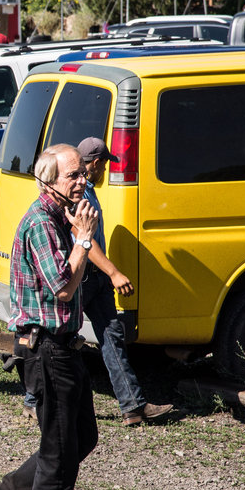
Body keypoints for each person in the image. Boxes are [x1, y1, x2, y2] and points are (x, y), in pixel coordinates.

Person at [0, 143, 99, 490]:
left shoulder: (62, 216)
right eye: (73, 175)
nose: (83, 180)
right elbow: (62, 286)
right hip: (46, 351)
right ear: (49, 180)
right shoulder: (42, 222)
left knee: (82, 438)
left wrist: (79, 233)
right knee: (59, 463)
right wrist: (84, 240)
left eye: (82, 173)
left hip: (65, 347)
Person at [76, 137, 173, 426]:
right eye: (104, 164)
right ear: (95, 164)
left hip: (95, 279)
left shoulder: (89, 191)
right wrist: (114, 273)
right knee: (56, 340)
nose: (105, 170)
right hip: (80, 279)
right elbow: (85, 242)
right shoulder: (80, 194)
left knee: (111, 338)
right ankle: (36, 400)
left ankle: (132, 407)